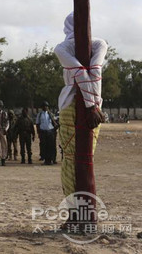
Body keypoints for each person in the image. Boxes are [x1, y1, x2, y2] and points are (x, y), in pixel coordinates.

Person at [55, 12, 107, 197]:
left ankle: (76, 210)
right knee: (76, 159)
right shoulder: (98, 44)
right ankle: (76, 211)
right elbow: (92, 74)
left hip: (72, 105)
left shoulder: (62, 48)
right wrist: (93, 105)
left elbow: (87, 73)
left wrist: (91, 107)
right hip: (91, 106)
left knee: (73, 160)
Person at [36, 101, 58, 165]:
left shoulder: (51, 114)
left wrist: (51, 116)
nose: (45, 107)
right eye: (44, 106)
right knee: (44, 146)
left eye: (46, 106)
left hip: (50, 132)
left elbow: (55, 123)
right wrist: (39, 133)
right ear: (42, 107)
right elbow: (37, 124)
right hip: (43, 132)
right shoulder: (39, 114)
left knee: (51, 146)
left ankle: (52, 159)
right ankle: (46, 160)